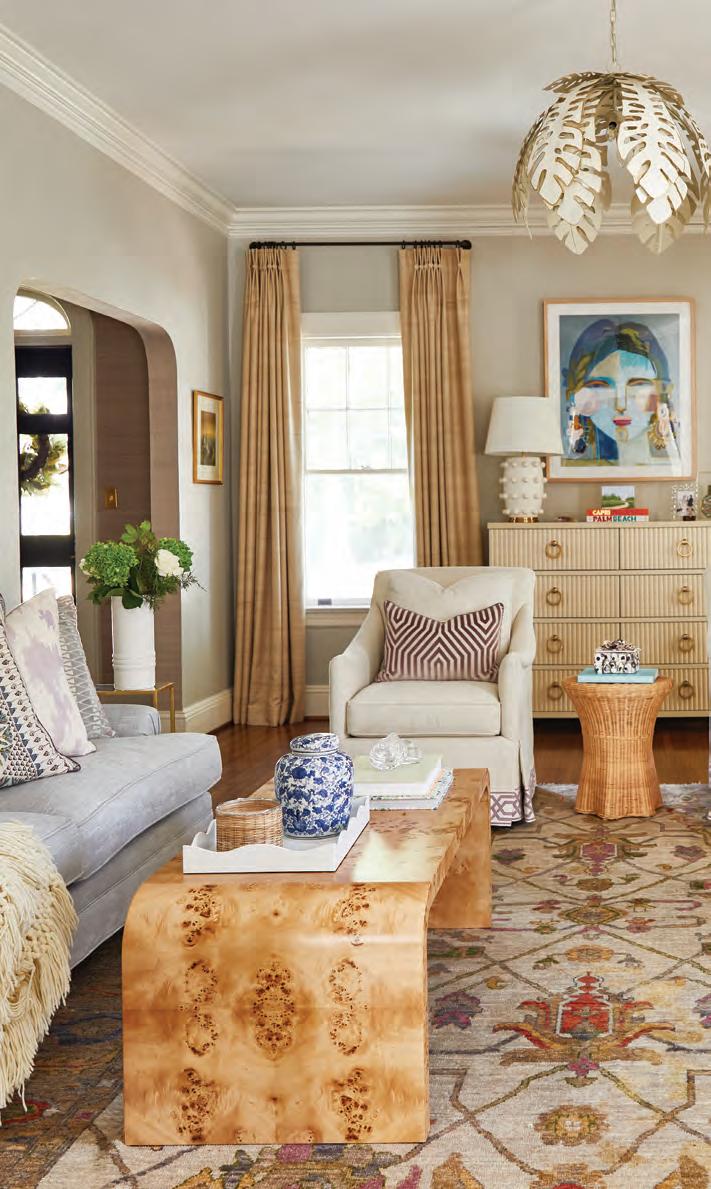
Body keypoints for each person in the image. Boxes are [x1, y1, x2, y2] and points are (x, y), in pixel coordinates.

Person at [563, 318, 680, 467]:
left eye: (638, 385)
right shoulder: (572, 469)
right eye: (600, 386)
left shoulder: (673, 468)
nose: (620, 405)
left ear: (661, 394)